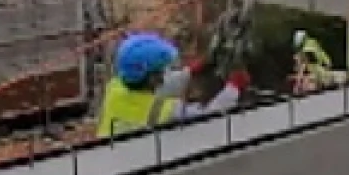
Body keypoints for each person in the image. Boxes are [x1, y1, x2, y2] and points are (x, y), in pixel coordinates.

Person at [96, 33, 245, 138]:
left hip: (109, 158)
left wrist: (189, 72)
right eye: (162, 71)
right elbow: (210, 115)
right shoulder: (165, 111)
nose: (165, 74)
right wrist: (233, 88)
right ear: (152, 78)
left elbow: (158, 88)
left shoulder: (115, 87)